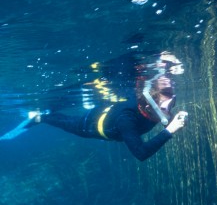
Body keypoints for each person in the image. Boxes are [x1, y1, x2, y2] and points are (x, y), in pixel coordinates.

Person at [1, 52, 188, 161]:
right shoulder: (127, 120)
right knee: (62, 121)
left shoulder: (157, 107)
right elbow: (141, 153)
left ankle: (49, 111)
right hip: (89, 125)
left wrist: (163, 63)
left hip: (110, 109)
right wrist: (170, 130)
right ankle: (40, 117)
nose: (172, 102)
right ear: (150, 100)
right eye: (167, 96)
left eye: (172, 95)